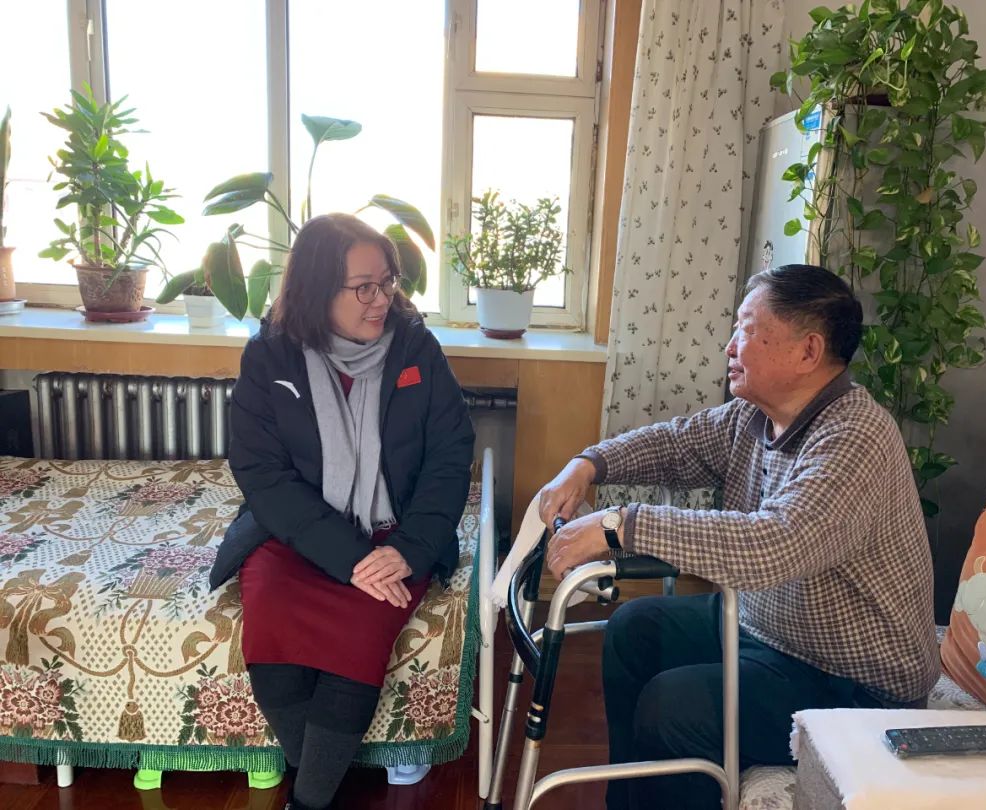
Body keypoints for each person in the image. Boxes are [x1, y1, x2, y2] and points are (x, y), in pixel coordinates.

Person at [538, 264, 939, 810]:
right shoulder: (754, 417)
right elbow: (676, 444)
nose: (729, 347)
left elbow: (777, 543)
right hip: (771, 631)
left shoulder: (856, 437)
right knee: (635, 628)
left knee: (674, 707)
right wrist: (586, 465)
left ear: (808, 351)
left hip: (855, 685)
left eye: (747, 330)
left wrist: (619, 526)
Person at [209, 213, 475, 810]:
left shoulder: (416, 348)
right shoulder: (271, 354)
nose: (381, 300)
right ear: (317, 290)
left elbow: (449, 456)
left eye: (388, 283)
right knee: (271, 634)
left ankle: (308, 801)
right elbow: (261, 473)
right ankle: (317, 782)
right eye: (364, 287)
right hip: (297, 534)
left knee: (359, 636)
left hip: (393, 534)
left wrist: (409, 549)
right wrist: (349, 557)